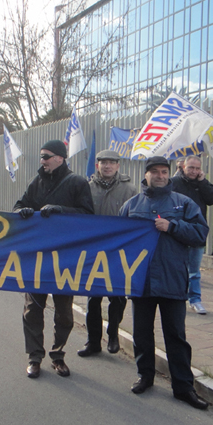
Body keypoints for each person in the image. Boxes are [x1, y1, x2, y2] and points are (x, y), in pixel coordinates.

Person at [119, 156, 209, 409]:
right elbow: (118, 241)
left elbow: (201, 234)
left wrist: (172, 226)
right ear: (145, 175)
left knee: (176, 336)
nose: (160, 176)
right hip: (142, 281)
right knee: (142, 334)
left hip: (172, 279)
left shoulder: (184, 204)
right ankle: (144, 376)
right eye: (155, 172)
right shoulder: (131, 205)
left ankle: (183, 387)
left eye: (164, 172)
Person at [13, 139, 94, 379]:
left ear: (60, 157)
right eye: (41, 157)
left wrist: (61, 210)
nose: (43, 161)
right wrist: (22, 212)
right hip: (36, 257)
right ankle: (34, 357)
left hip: (64, 259)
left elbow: (88, 215)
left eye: (46, 156)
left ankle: (58, 355)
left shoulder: (78, 183)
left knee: (64, 313)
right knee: (32, 310)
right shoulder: (36, 182)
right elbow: (19, 205)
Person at [78, 150, 138, 357]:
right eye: (103, 163)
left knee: (118, 297)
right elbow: (80, 215)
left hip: (119, 251)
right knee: (93, 299)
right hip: (93, 251)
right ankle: (93, 341)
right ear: (97, 166)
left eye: (112, 163)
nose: (107, 166)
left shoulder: (130, 189)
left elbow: (136, 219)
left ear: (118, 166)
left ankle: (113, 333)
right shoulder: (86, 188)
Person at [171, 154, 213, 315]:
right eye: (191, 167)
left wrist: (202, 182)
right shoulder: (174, 183)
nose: (194, 171)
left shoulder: (202, 183)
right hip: (177, 232)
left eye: (197, 168)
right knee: (176, 268)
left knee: (194, 271)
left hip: (197, 231)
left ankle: (195, 300)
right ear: (183, 167)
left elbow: (212, 199)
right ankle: (175, 297)